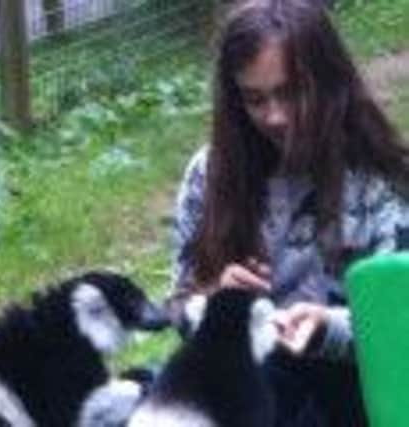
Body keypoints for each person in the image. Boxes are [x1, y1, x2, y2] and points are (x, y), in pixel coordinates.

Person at [170, 0, 409, 425]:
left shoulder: (381, 178)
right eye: (255, 100)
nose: (275, 117)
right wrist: (216, 304)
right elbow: (178, 308)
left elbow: (400, 330)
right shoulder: (208, 175)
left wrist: (326, 330)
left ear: (329, 82)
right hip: (251, 388)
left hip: (358, 390)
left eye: (291, 92)